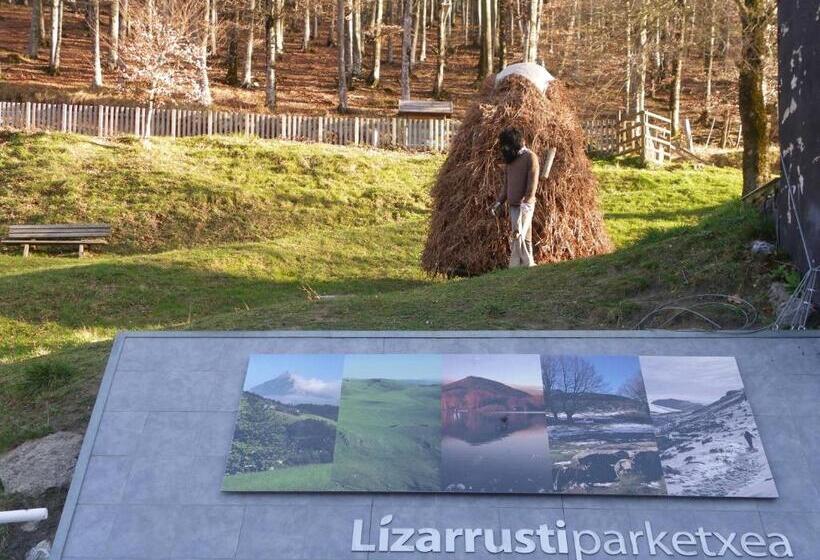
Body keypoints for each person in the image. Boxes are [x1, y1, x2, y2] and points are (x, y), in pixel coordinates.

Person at [491, 127, 540, 268]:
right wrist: (499, 202)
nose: (504, 149)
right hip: (513, 205)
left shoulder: (530, 157)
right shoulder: (510, 160)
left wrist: (527, 200)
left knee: (521, 233)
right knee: (517, 233)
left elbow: (532, 182)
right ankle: (522, 262)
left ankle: (525, 261)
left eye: (506, 145)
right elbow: (506, 186)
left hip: (525, 205)